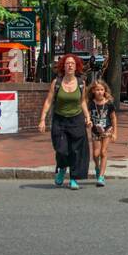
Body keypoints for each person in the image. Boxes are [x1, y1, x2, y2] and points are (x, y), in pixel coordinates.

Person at [38, 54, 89, 190]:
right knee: (61, 149)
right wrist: (42, 119)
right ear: (63, 66)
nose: (70, 65)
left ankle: (73, 178)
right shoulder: (57, 82)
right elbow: (49, 100)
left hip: (76, 119)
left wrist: (88, 117)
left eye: (72, 63)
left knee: (75, 150)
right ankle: (61, 168)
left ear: (76, 66)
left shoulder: (81, 83)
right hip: (60, 119)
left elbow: (82, 101)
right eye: (67, 63)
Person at [86, 78, 118, 186]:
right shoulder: (91, 103)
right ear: (93, 91)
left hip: (107, 129)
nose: (100, 92)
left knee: (103, 152)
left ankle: (101, 176)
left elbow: (113, 118)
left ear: (105, 91)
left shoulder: (109, 104)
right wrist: (88, 121)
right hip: (95, 130)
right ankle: (97, 167)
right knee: (96, 154)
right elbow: (88, 116)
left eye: (102, 89)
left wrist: (115, 133)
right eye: (97, 90)